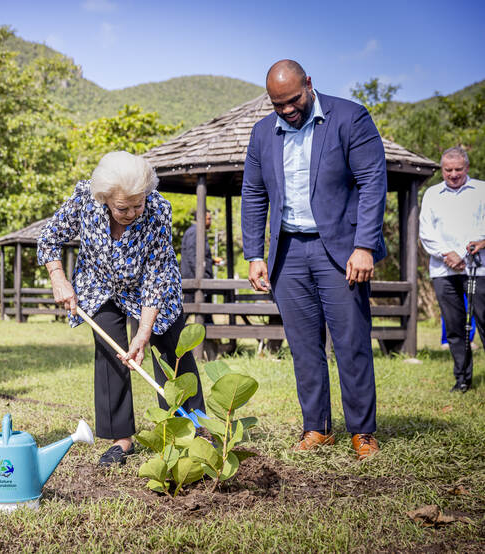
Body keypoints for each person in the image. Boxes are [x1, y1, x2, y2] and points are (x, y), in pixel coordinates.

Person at [241, 60, 387, 461]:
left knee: (351, 342)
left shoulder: (350, 117)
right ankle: (317, 428)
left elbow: (373, 180)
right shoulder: (261, 134)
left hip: (339, 249)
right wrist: (254, 254)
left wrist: (365, 245)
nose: (287, 110)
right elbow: (253, 194)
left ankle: (362, 432)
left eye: (292, 100)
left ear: (309, 84)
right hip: (288, 251)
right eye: (277, 104)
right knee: (303, 346)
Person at [38, 151, 206, 466]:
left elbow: (157, 275)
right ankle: (121, 440)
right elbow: (48, 239)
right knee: (111, 353)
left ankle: (193, 429)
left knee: (173, 352)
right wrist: (59, 279)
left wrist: (143, 333)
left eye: (137, 204)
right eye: (122, 207)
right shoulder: (85, 202)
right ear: (104, 198)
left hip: (152, 285)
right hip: (100, 285)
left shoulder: (158, 210)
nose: (131, 213)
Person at [419, 146, 485, 393]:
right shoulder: (432, 194)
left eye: (458, 169)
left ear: (466, 168)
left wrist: (477, 245)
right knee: (455, 326)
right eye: (448, 170)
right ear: (442, 170)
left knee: (484, 320)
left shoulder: (482, 190)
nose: (454, 174)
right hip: (444, 270)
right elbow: (426, 233)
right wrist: (448, 254)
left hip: (479, 269)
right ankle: (462, 378)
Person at [180, 209, 222, 305]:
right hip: (194, 278)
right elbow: (192, 256)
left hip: (200, 277)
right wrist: (201, 275)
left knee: (205, 307)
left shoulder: (199, 232)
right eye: (208, 219)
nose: (210, 222)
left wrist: (211, 261)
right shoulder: (194, 232)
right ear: (201, 219)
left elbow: (199, 255)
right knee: (188, 307)